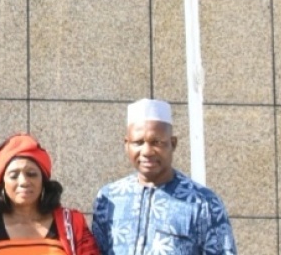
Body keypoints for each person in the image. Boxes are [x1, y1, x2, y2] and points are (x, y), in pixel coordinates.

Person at [92, 99, 237, 255]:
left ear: (172, 144)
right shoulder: (109, 198)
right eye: (138, 142)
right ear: (126, 144)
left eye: (156, 142)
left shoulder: (204, 203)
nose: (147, 151)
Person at [0, 133, 99, 255]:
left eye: (31, 174)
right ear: (2, 183)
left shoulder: (71, 225)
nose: (24, 182)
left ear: (43, 180)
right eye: (14, 176)